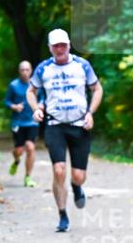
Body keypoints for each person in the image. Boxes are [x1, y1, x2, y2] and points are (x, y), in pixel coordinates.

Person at [26, 28, 103, 232]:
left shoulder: (82, 65)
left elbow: (97, 89)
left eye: (63, 45)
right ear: (50, 48)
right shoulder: (43, 69)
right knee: (58, 170)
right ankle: (62, 215)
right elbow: (31, 91)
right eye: (55, 46)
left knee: (78, 176)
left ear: (69, 45)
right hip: (55, 125)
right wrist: (35, 109)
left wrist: (90, 113)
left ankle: (77, 186)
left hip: (79, 125)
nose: (60, 49)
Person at [4, 61, 40, 187]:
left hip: (32, 122)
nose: (25, 72)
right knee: (18, 150)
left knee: (30, 147)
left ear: (31, 71)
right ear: (19, 71)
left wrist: (41, 105)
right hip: (18, 122)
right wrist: (14, 106)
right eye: (22, 70)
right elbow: (6, 101)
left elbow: (43, 98)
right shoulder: (13, 85)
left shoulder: (36, 85)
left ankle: (28, 177)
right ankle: (16, 160)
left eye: (27, 69)